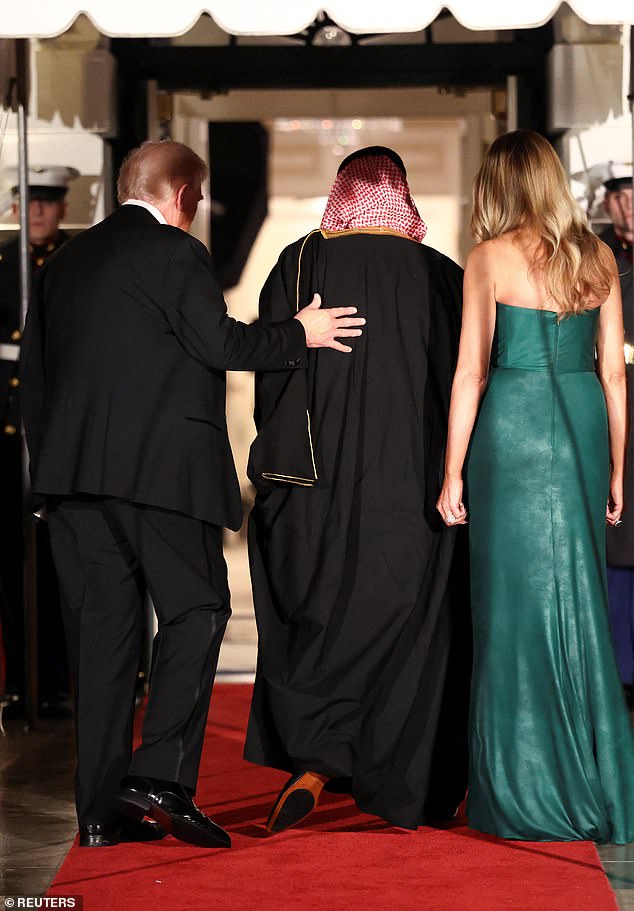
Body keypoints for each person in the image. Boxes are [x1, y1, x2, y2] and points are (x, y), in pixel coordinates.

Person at [20, 140, 365, 850]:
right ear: (181, 195)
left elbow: (37, 378)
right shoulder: (175, 252)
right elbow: (220, 343)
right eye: (199, 198)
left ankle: (98, 814)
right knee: (199, 608)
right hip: (160, 478)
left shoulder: (67, 262)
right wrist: (300, 333)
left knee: (104, 643)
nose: (199, 210)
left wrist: (47, 479)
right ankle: (160, 777)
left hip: (73, 485)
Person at [244, 146, 470, 833]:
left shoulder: (301, 262)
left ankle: (316, 761)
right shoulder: (442, 276)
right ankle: (407, 787)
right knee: (413, 628)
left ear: (341, 195)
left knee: (324, 614)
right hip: (417, 490)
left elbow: (270, 374)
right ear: (404, 197)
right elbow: (466, 383)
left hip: (318, 490)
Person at [437, 130, 634, 843]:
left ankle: (518, 789)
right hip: (580, 422)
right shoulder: (598, 257)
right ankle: (594, 782)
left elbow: (471, 371)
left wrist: (452, 470)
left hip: (511, 429)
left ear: (497, 186)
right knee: (577, 598)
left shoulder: (488, 258)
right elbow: (613, 375)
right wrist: (617, 469)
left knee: (508, 608)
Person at [0, 165, 78, 718]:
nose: (37, 212)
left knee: (57, 566)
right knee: (10, 565)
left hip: (55, 432)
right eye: (29, 202)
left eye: (47, 202)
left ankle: (56, 683)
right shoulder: (4, 264)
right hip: (6, 435)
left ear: (63, 208)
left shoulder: (76, 261)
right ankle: (20, 683)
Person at [599, 164, 634, 703]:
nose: (628, 206)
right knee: (615, 531)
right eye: (620, 196)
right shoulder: (596, 255)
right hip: (610, 401)